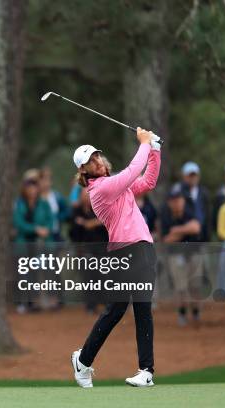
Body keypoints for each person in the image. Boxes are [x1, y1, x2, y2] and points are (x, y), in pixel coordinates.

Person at [71, 128, 161, 388]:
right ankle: (83, 360)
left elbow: (148, 181)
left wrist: (155, 150)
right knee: (115, 310)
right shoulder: (100, 189)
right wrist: (144, 143)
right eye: (90, 162)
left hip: (143, 249)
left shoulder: (118, 185)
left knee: (141, 309)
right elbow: (133, 172)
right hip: (125, 252)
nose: (97, 162)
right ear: (84, 171)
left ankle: (145, 371)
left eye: (97, 156)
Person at [160, 184, 202, 326]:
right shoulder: (166, 216)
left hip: (193, 253)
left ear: (183, 200)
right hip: (176, 255)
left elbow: (196, 228)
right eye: (173, 200)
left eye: (178, 199)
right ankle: (182, 313)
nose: (176, 202)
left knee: (195, 285)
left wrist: (177, 230)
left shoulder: (190, 211)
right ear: (169, 202)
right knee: (180, 287)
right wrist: (186, 230)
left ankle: (195, 313)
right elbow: (166, 240)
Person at [13, 172, 53, 313]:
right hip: (23, 243)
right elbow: (18, 223)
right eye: (29, 188)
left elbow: (50, 220)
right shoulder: (19, 204)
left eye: (34, 187)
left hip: (39, 244)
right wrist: (35, 229)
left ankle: (33, 302)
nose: (32, 190)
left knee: (36, 273)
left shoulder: (43, 204)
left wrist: (45, 230)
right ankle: (21, 302)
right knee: (23, 273)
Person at [69, 188, 108, 314]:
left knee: (102, 276)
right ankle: (91, 305)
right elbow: (75, 229)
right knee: (88, 278)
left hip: (101, 249)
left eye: (89, 193)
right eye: (84, 194)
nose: (86, 196)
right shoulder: (76, 211)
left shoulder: (99, 209)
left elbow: (105, 224)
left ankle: (105, 303)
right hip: (84, 249)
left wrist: (91, 223)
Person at [39, 167, 69, 242]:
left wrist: (57, 217)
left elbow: (67, 211)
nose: (45, 183)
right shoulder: (35, 197)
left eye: (48, 179)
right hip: (38, 235)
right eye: (43, 179)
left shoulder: (57, 197)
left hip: (55, 233)